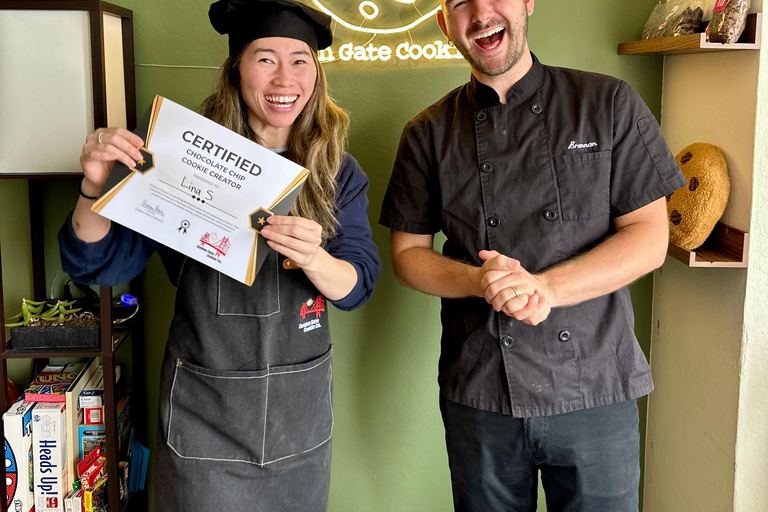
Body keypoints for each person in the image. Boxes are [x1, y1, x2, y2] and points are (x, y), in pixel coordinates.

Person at [59, 1, 380, 510]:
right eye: (265, 58)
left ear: (316, 74)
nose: (285, 77)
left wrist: (316, 257)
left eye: (300, 60)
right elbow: (100, 264)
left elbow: (357, 285)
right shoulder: (182, 157)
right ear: (236, 69)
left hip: (300, 421)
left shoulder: (338, 171)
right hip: (202, 417)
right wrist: (94, 185)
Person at [379, 0, 686, 510]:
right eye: (459, 3)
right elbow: (408, 255)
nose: (480, 12)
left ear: (527, 3)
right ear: (443, 23)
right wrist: (481, 281)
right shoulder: (427, 132)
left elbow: (650, 236)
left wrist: (544, 288)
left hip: (596, 388)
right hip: (479, 393)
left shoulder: (606, 102)